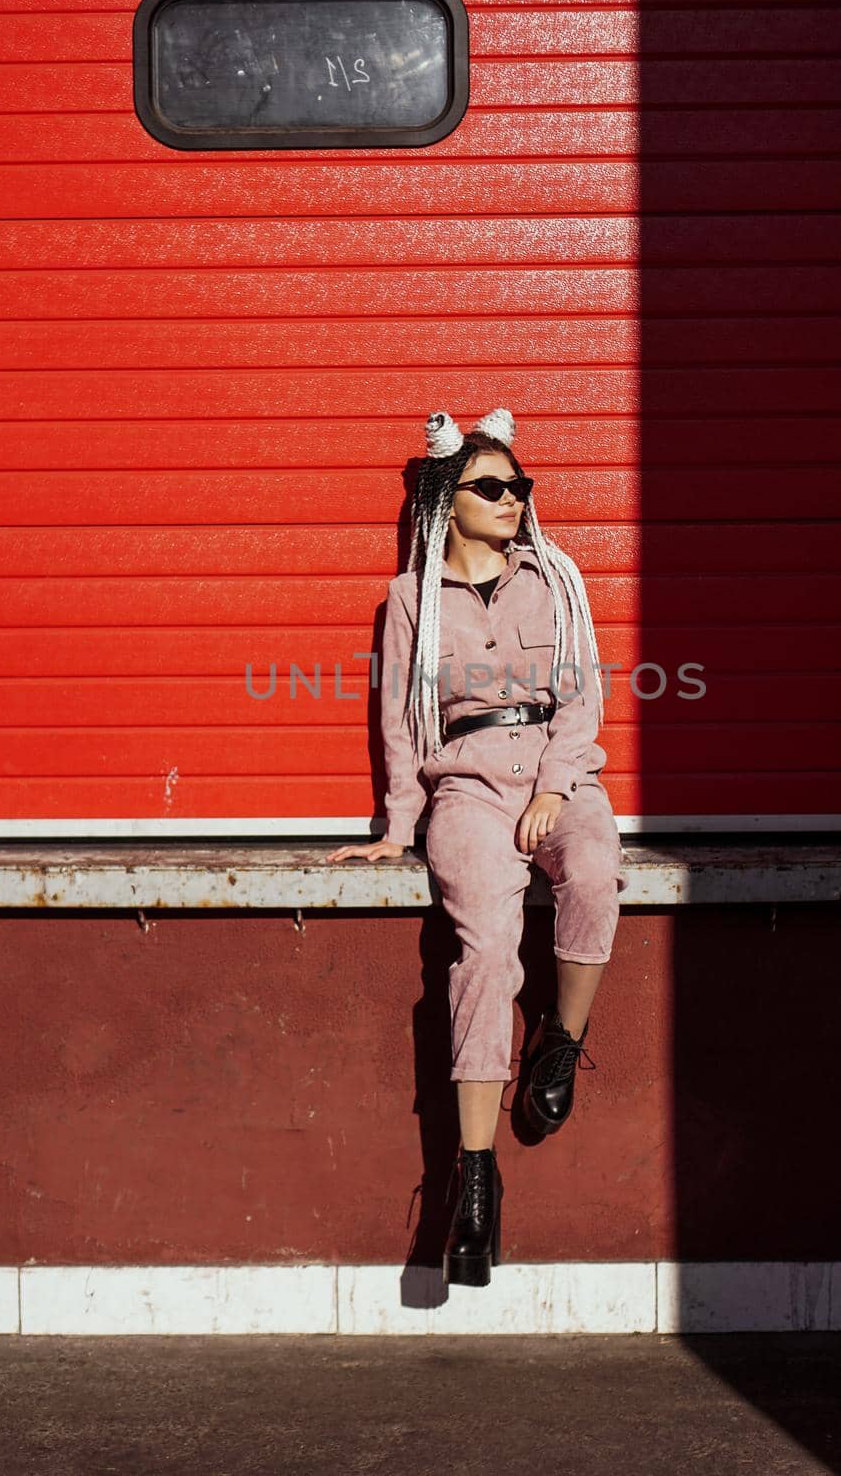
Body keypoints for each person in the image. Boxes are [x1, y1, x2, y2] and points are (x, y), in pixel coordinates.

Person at [327, 408, 628, 1285]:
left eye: (518, 487)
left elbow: (582, 703)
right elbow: (398, 724)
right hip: (464, 783)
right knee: (486, 952)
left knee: (595, 871)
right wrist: (395, 828)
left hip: (557, 772)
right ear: (444, 502)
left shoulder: (556, 580)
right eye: (490, 487)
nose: (511, 501)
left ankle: (559, 1043)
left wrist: (553, 789)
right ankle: (473, 1182)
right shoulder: (411, 599)